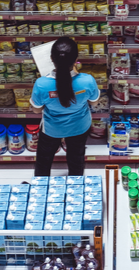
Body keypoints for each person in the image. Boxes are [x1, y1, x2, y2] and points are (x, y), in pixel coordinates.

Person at [30, 37, 100, 177]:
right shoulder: (87, 80)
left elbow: (36, 109)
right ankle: (76, 187)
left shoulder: (42, 84)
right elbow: (94, 103)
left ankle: (41, 190)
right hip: (79, 127)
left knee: (44, 160)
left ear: (51, 58)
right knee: (76, 158)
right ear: (76, 60)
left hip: (52, 129)